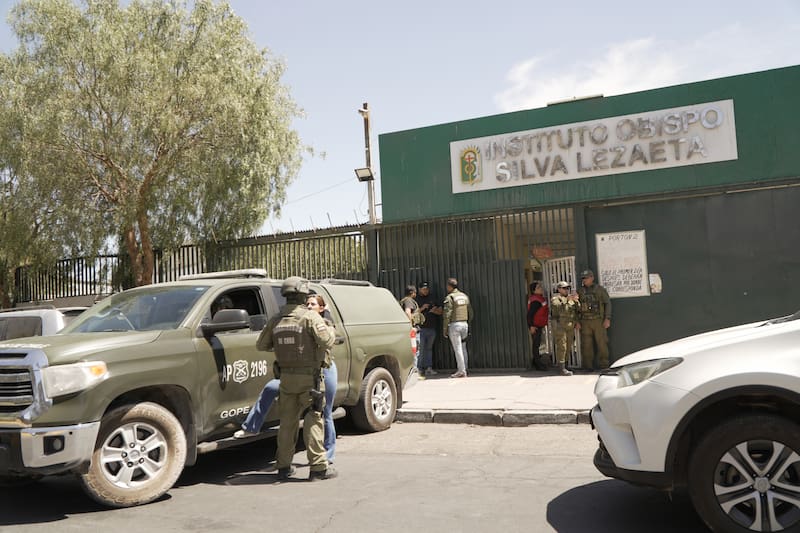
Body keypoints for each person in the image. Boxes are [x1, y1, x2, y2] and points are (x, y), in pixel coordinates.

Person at [235, 294, 339, 464]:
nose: (310, 306)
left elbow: (327, 339)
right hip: (293, 375)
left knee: (322, 413)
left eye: (313, 304)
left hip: (321, 371)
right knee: (281, 404)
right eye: (307, 303)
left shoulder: (319, 321)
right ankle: (253, 428)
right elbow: (266, 343)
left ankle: (327, 454)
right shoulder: (294, 320)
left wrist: (327, 319)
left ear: (321, 308)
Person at [255, 276, 336, 481]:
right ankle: (318, 468)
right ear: (302, 295)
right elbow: (326, 340)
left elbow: (261, 345)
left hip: (286, 379)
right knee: (313, 421)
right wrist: (331, 329)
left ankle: (283, 467)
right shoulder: (310, 317)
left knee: (287, 424)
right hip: (310, 380)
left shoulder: (276, 319)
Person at [576, 269, 612, 370]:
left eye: (586, 278)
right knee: (586, 345)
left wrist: (607, 318)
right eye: (583, 278)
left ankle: (604, 365)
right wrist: (577, 321)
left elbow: (607, 303)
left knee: (602, 343)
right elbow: (575, 307)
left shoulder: (600, 290)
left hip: (598, 321)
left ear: (592, 278)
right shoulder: (580, 291)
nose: (584, 280)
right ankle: (588, 366)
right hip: (585, 321)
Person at [442, 277, 473, 378]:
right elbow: (470, 312)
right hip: (465, 324)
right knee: (463, 348)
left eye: (447, 286)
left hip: (455, 325)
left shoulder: (450, 297)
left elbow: (447, 314)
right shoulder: (464, 296)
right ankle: (465, 368)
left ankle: (461, 371)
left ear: (450, 286)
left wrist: (445, 328)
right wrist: (467, 322)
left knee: (458, 349)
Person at [550, 281, 578, 376]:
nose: (566, 290)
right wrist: (568, 300)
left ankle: (566, 365)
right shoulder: (555, 299)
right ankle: (561, 368)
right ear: (559, 289)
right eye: (564, 288)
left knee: (569, 346)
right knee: (562, 346)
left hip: (569, 326)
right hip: (560, 326)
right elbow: (556, 307)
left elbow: (576, 310)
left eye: (567, 288)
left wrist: (576, 301)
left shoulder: (570, 299)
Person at [414, 282, 442, 376]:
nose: (426, 291)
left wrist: (435, 311)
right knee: (420, 349)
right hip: (421, 328)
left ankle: (428, 368)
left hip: (432, 327)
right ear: (419, 289)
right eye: (424, 289)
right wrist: (422, 308)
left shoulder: (432, 298)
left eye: (427, 289)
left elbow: (441, 311)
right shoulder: (416, 300)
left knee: (429, 349)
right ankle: (419, 369)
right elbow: (413, 313)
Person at [526, 281, 549, 371]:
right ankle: (538, 365)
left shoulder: (538, 298)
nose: (541, 288)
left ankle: (538, 362)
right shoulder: (536, 301)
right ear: (534, 290)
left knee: (538, 345)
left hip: (538, 325)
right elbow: (529, 315)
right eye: (539, 287)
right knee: (536, 345)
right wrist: (531, 326)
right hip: (535, 326)